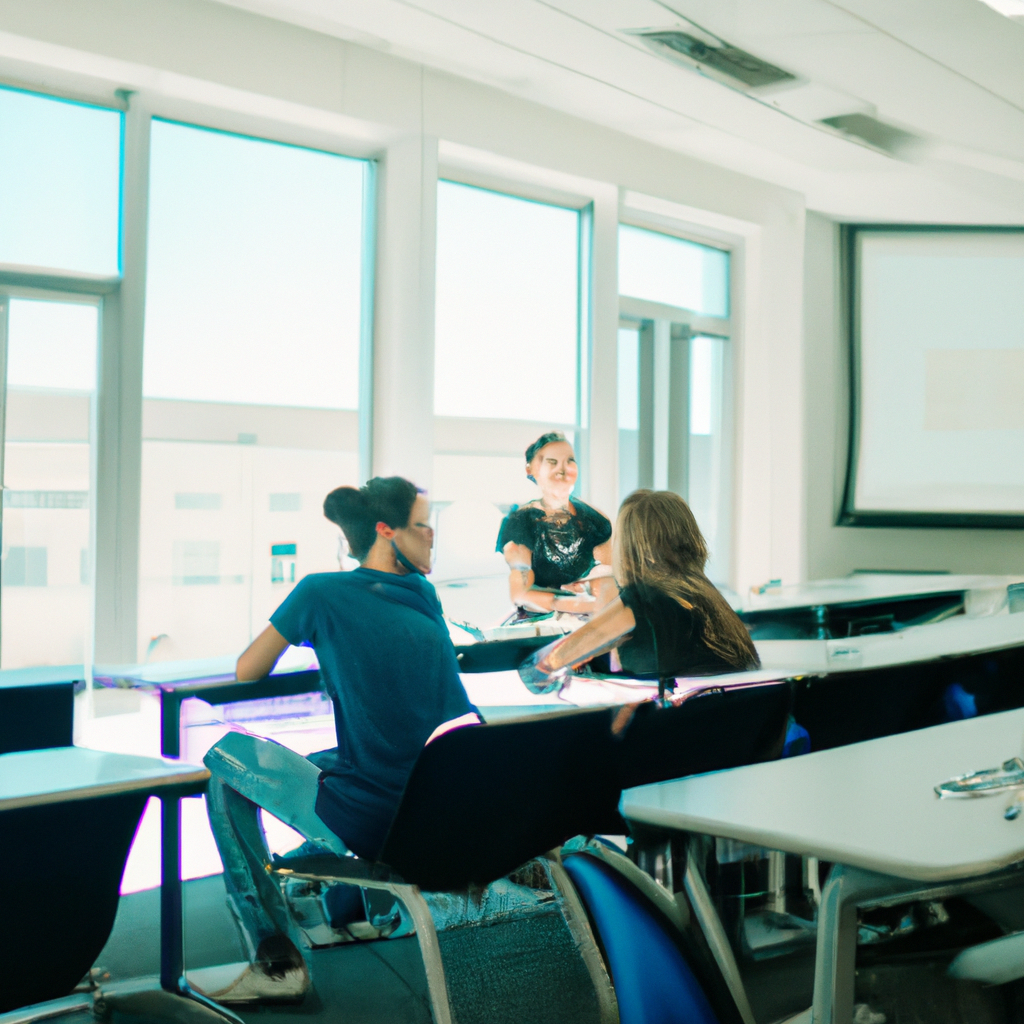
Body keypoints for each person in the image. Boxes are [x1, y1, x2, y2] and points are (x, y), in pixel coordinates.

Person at [203, 476, 479, 1001]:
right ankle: (344, 894)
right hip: (449, 801)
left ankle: (277, 962)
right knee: (328, 758)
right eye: (423, 526)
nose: (432, 537)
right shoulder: (423, 594)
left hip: (381, 809)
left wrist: (319, 636)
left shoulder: (319, 592)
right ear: (385, 530)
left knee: (226, 769)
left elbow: (247, 669)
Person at [519, 489, 760, 691]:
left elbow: (546, 665)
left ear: (630, 546)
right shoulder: (706, 596)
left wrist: (533, 666)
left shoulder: (643, 599)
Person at [497, 431, 615, 617]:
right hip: (540, 624)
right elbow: (520, 594)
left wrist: (593, 591)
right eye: (552, 462)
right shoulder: (521, 521)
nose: (563, 469)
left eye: (569, 461)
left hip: (591, 621)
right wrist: (575, 603)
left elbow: (606, 581)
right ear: (531, 469)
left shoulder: (595, 520)